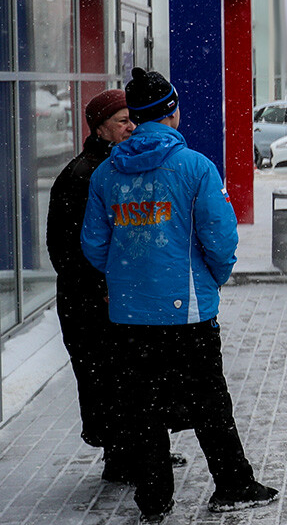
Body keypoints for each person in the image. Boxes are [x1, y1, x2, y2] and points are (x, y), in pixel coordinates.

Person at [82, 68, 278, 525]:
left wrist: (127, 277)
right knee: (210, 401)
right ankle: (232, 485)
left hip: (129, 315)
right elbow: (221, 238)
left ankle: (153, 499)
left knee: (142, 407)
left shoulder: (107, 173)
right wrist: (214, 278)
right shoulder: (195, 167)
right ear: (170, 112)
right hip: (185, 311)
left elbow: (93, 244)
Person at [47, 90, 189, 484]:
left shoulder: (119, 165)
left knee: (132, 377)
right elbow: (67, 248)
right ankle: (123, 457)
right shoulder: (84, 175)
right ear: (100, 128)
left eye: (133, 119)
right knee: (108, 379)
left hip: (117, 295)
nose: (131, 127)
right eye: (122, 121)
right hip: (90, 302)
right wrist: (100, 287)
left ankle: (143, 449)